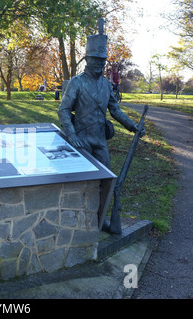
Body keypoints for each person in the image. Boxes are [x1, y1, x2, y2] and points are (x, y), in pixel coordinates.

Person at [57, 19, 144, 233]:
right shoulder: (76, 82)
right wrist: (72, 134)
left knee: (107, 182)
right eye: (96, 59)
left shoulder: (106, 84)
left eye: (103, 60)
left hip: (100, 140)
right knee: (85, 184)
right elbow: (63, 110)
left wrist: (132, 126)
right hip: (82, 140)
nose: (100, 63)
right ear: (87, 59)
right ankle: (80, 221)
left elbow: (115, 110)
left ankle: (100, 219)